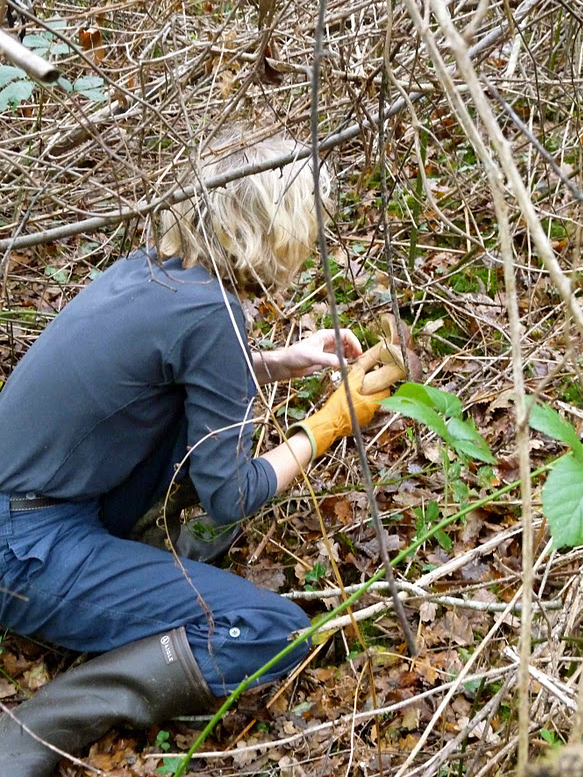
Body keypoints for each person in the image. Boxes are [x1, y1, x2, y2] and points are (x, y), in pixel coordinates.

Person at [0, 132, 389, 775]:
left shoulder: (150, 270)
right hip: (25, 546)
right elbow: (230, 495)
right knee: (272, 631)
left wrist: (273, 363)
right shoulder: (214, 316)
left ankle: (126, 581)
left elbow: (155, 381)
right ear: (276, 226)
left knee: (179, 420)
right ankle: (25, 737)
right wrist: (327, 426)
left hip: (39, 507)